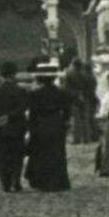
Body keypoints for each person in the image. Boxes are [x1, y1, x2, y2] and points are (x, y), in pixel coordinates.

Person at [0, 62, 30, 192]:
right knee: (17, 156)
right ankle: (16, 180)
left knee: (1, 157)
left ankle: (5, 183)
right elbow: (23, 108)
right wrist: (11, 116)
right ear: (14, 74)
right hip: (16, 129)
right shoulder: (21, 91)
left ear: (0, 74)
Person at [25, 63, 72, 192]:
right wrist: (64, 122)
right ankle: (58, 181)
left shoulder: (34, 94)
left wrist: (31, 127)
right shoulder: (61, 92)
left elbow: (32, 112)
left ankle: (42, 181)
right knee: (57, 152)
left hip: (40, 123)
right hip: (56, 123)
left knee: (41, 152)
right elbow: (67, 111)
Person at [64, 59, 99, 145]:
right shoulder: (87, 75)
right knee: (85, 119)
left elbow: (67, 88)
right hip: (85, 98)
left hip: (75, 98)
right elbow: (89, 88)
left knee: (76, 120)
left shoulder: (69, 74)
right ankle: (86, 138)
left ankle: (77, 139)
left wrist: (76, 95)